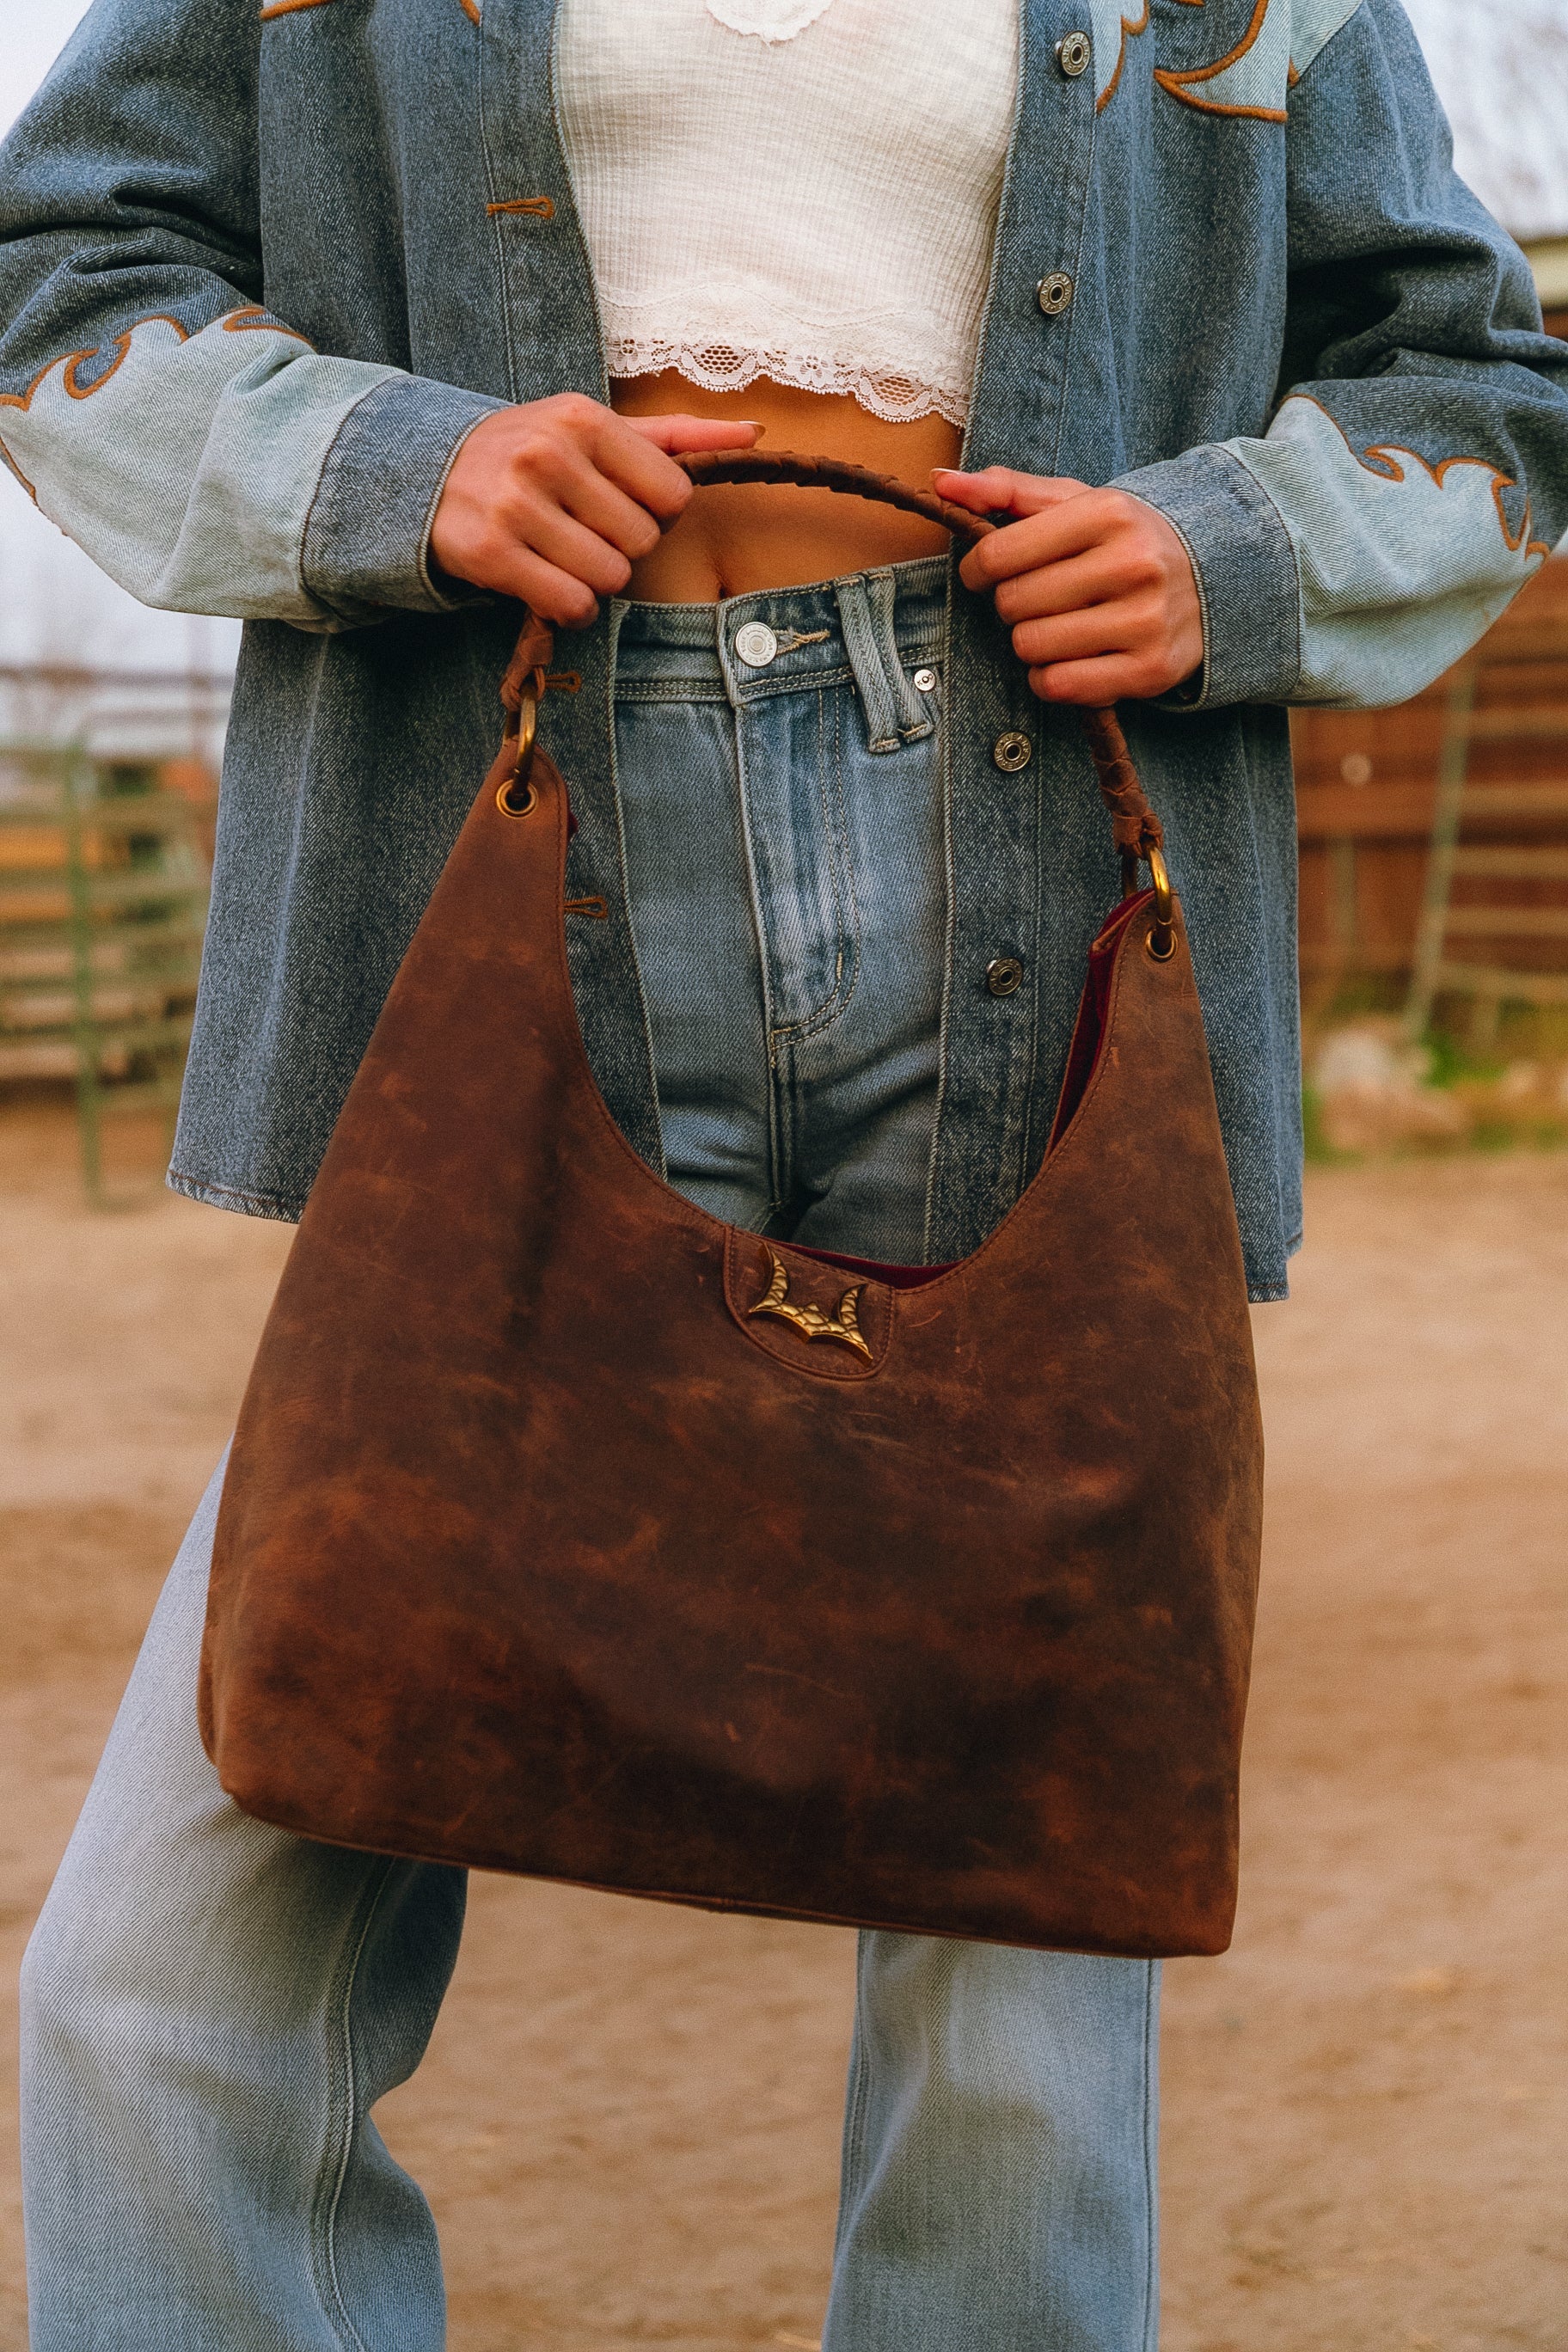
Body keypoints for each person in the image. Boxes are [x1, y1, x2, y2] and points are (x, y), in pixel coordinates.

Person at [3, 1, 1565, 2343]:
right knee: (156, 1992)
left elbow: (1475, 381)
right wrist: (381, 467)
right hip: (513, 846)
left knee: (1016, 2026)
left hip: (1027, 880)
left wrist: (1226, 551)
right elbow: (65, 261)